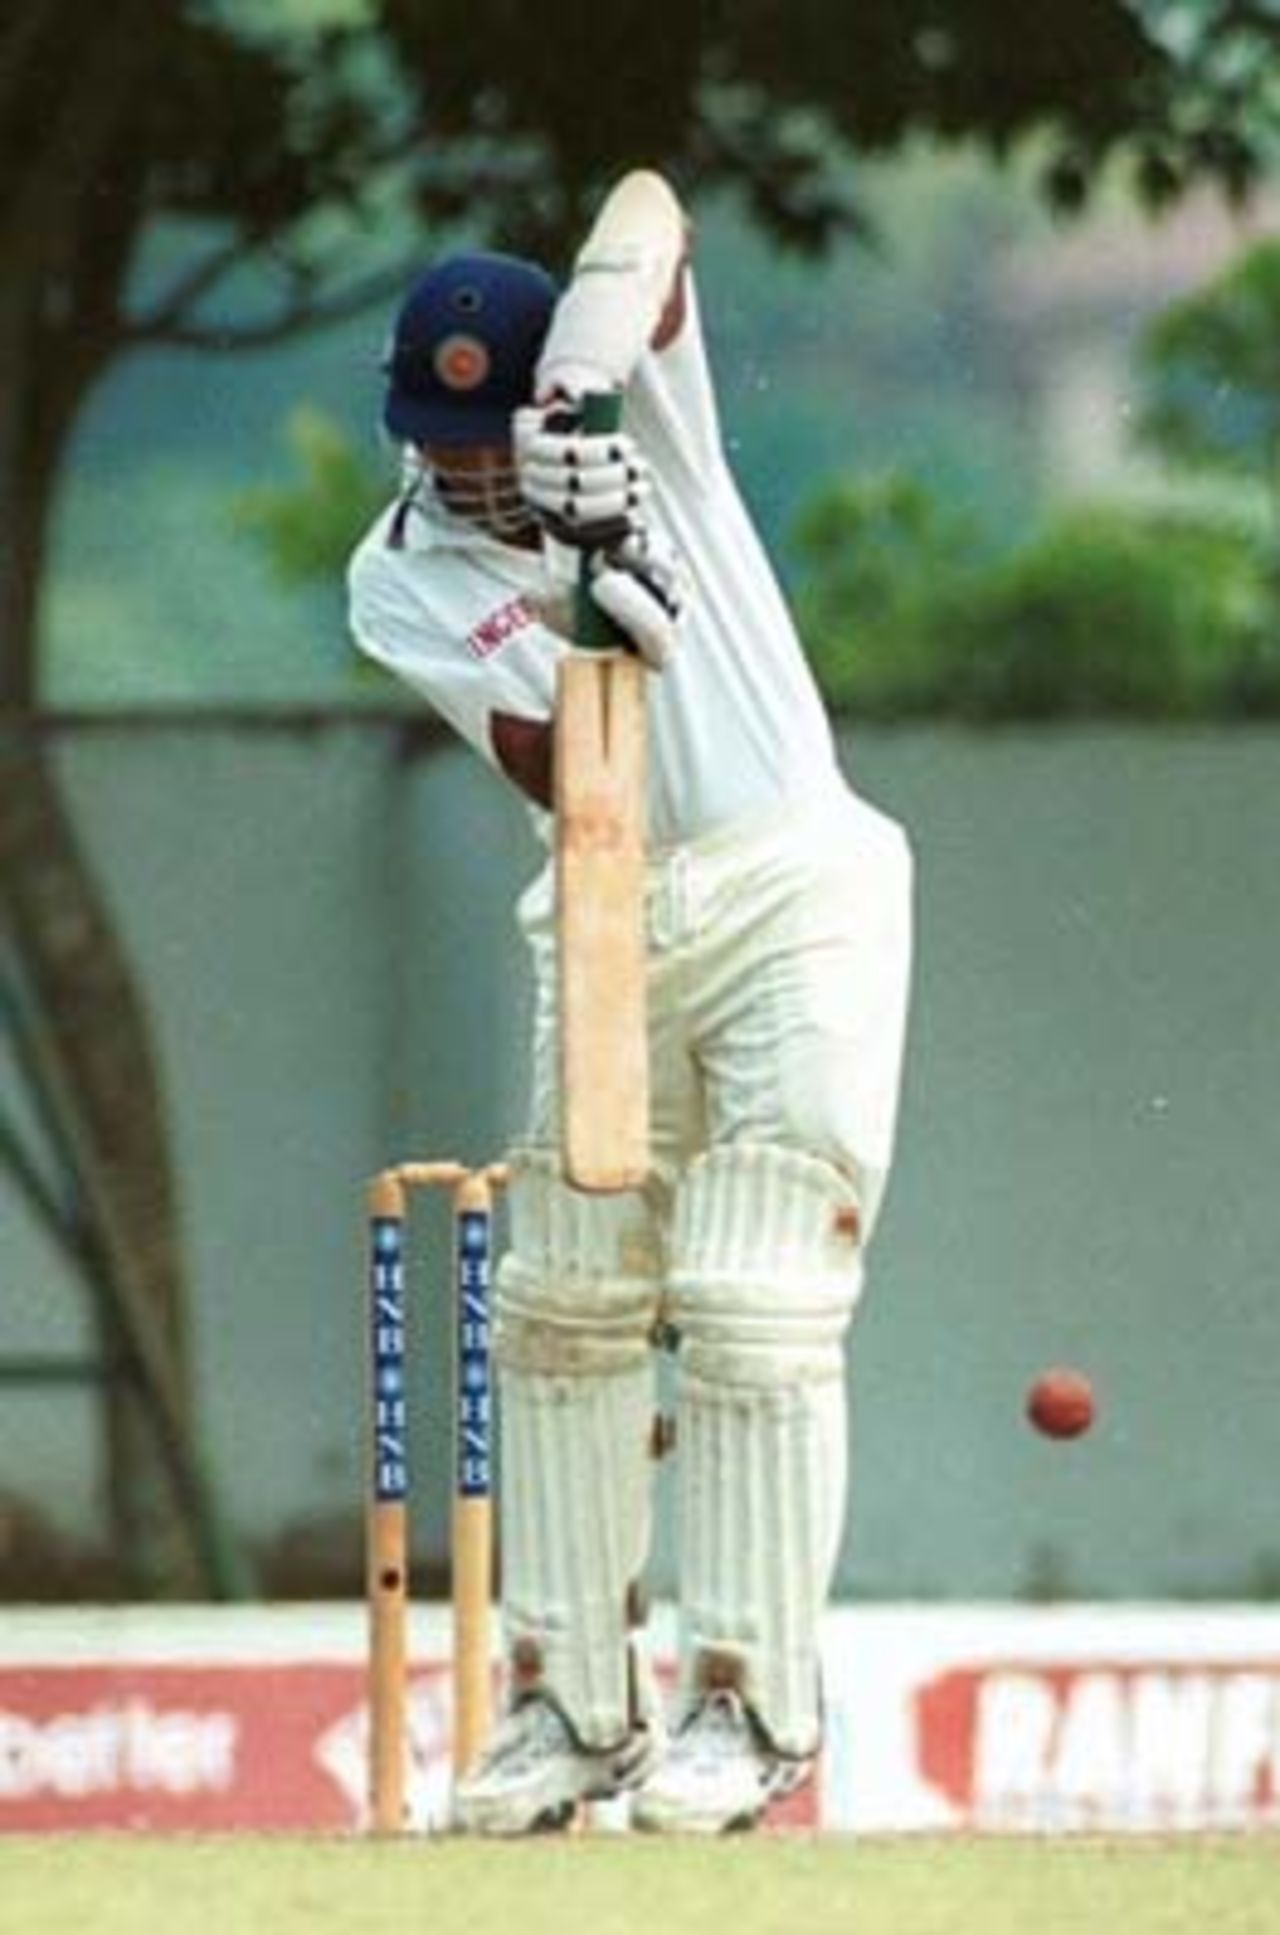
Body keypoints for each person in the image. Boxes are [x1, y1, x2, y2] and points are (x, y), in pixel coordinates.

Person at [347, 170, 914, 1836]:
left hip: (793, 880)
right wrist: (618, 623)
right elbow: (564, 766)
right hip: (603, 888)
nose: (464, 469)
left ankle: (749, 1707)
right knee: (561, 1309)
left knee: (749, 1303)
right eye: (439, 438)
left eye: (488, 435)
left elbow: (655, 215)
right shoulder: (401, 581)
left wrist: (583, 402)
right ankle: (569, 1706)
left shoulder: (643, 414)